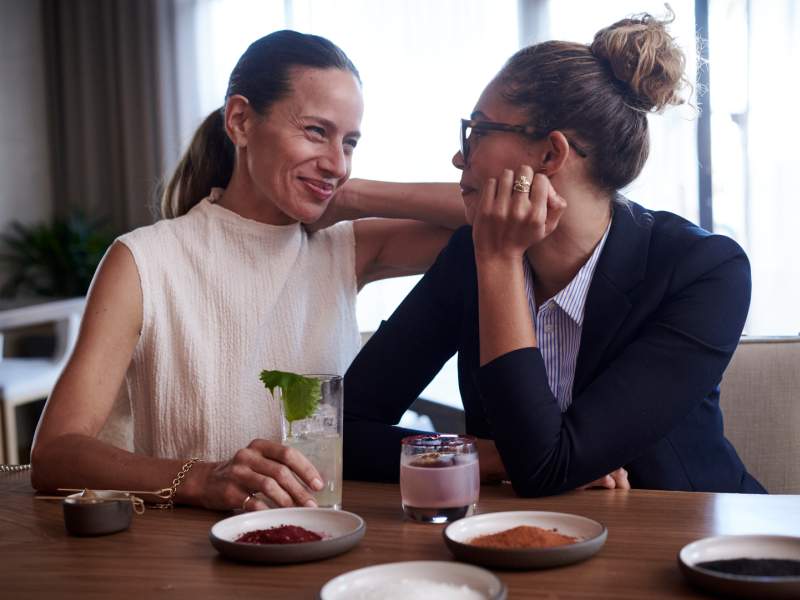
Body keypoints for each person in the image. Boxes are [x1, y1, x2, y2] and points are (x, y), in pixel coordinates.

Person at [31, 30, 464, 511]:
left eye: (350, 143)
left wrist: (353, 194)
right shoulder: (143, 261)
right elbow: (54, 454)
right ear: (239, 121)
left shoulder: (348, 247)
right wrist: (203, 478)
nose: (337, 162)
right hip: (187, 562)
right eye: (316, 132)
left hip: (326, 535)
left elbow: (500, 218)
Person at [343, 11, 766, 494]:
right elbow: (348, 431)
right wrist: (489, 454)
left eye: (478, 131)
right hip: (528, 541)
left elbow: (546, 468)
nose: (460, 156)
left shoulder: (704, 272)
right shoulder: (471, 255)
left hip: (690, 542)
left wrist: (500, 261)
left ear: (550, 155)